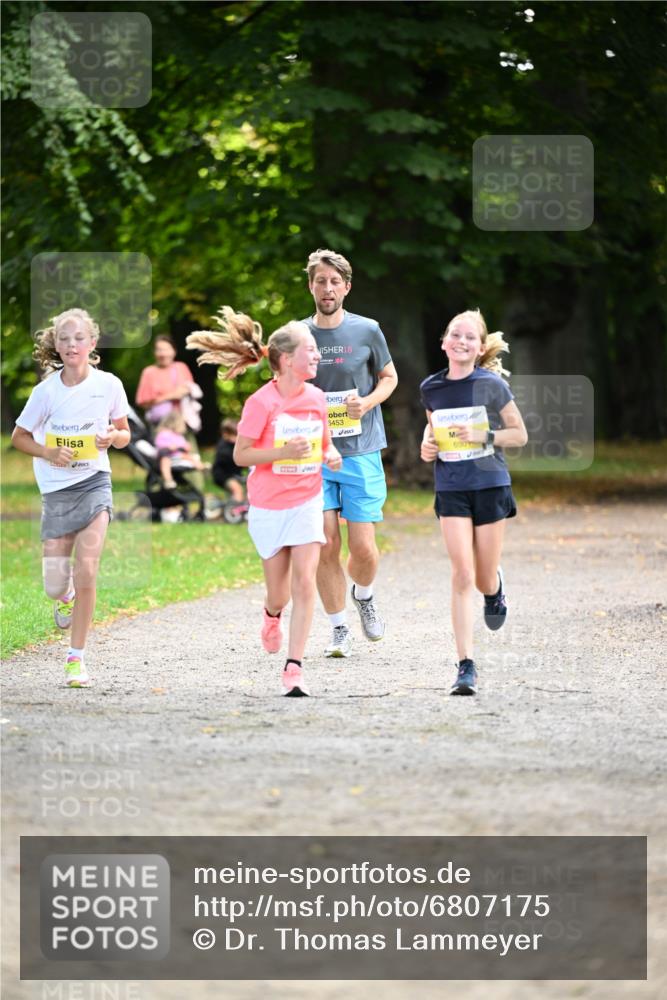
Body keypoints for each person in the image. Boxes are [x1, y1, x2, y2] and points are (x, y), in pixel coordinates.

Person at [186, 307, 342, 696]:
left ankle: (294, 666)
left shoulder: (318, 398)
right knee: (280, 592)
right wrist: (283, 452)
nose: (318, 355)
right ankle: (272, 615)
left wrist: (330, 454)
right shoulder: (261, 402)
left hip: (307, 499)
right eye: (311, 349)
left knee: (305, 579)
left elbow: (324, 444)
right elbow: (240, 456)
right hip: (270, 505)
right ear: (287, 359)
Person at [11, 308, 130, 688]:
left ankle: (76, 658)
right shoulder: (45, 392)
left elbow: (125, 433)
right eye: (64, 338)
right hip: (57, 491)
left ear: (92, 344)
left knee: (89, 568)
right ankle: (66, 597)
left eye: (79, 338)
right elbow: (19, 437)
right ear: (56, 346)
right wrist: (48, 452)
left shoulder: (109, 385)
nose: (71, 344)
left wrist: (112, 438)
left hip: (95, 483)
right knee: (53, 584)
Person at [419, 308, 527, 696]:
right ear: (444, 341)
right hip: (451, 487)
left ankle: (495, 588)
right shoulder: (430, 388)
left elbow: (519, 435)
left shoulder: (492, 385)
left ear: (480, 348)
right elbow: (431, 434)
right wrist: (427, 446)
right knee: (462, 574)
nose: (461, 341)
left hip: (490, 483)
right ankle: (466, 666)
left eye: (470, 337)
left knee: (481, 577)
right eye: (455, 334)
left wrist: (485, 438)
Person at [303, 249, 398, 658]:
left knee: (363, 548)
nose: (327, 288)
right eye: (320, 281)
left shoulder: (368, 330)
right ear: (311, 286)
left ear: (347, 287)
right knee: (325, 543)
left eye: (334, 281)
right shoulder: (297, 334)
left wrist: (369, 402)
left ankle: (364, 594)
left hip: (360, 451)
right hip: (315, 454)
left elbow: (389, 377)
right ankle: (338, 627)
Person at [135, 334, 204, 490]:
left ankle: (194, 491)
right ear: (155, 353)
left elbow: (188, 390)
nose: (162, 353)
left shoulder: (181, 368)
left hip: (181, 423)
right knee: (162, 458)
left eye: (166, 349)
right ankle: (166, 492)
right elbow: (143, 401)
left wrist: (163, 397)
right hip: (160, 425)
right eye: (159, 349)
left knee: (188, 453)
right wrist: (170, 396)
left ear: (173, 351)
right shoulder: (149, 372)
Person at [154, 410, 207, 490]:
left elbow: (183, 445)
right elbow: (160, 445)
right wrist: (170, 447)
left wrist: (186, 446)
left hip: (179, 456)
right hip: (168, 456)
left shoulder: (178, 435)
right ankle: (168, 480)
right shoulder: (164, 433)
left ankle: (202, 467)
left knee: (191, 457)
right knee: (165, 461)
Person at [212, 418, 245, 502]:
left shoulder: (233, 444)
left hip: (233, 473)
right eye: (234, 435)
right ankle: (234, 511)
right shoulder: (223, 446)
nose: (236, 438)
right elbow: (231, 458)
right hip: (222, 475)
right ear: (225, 434)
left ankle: (235, 504)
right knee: (237, 489)